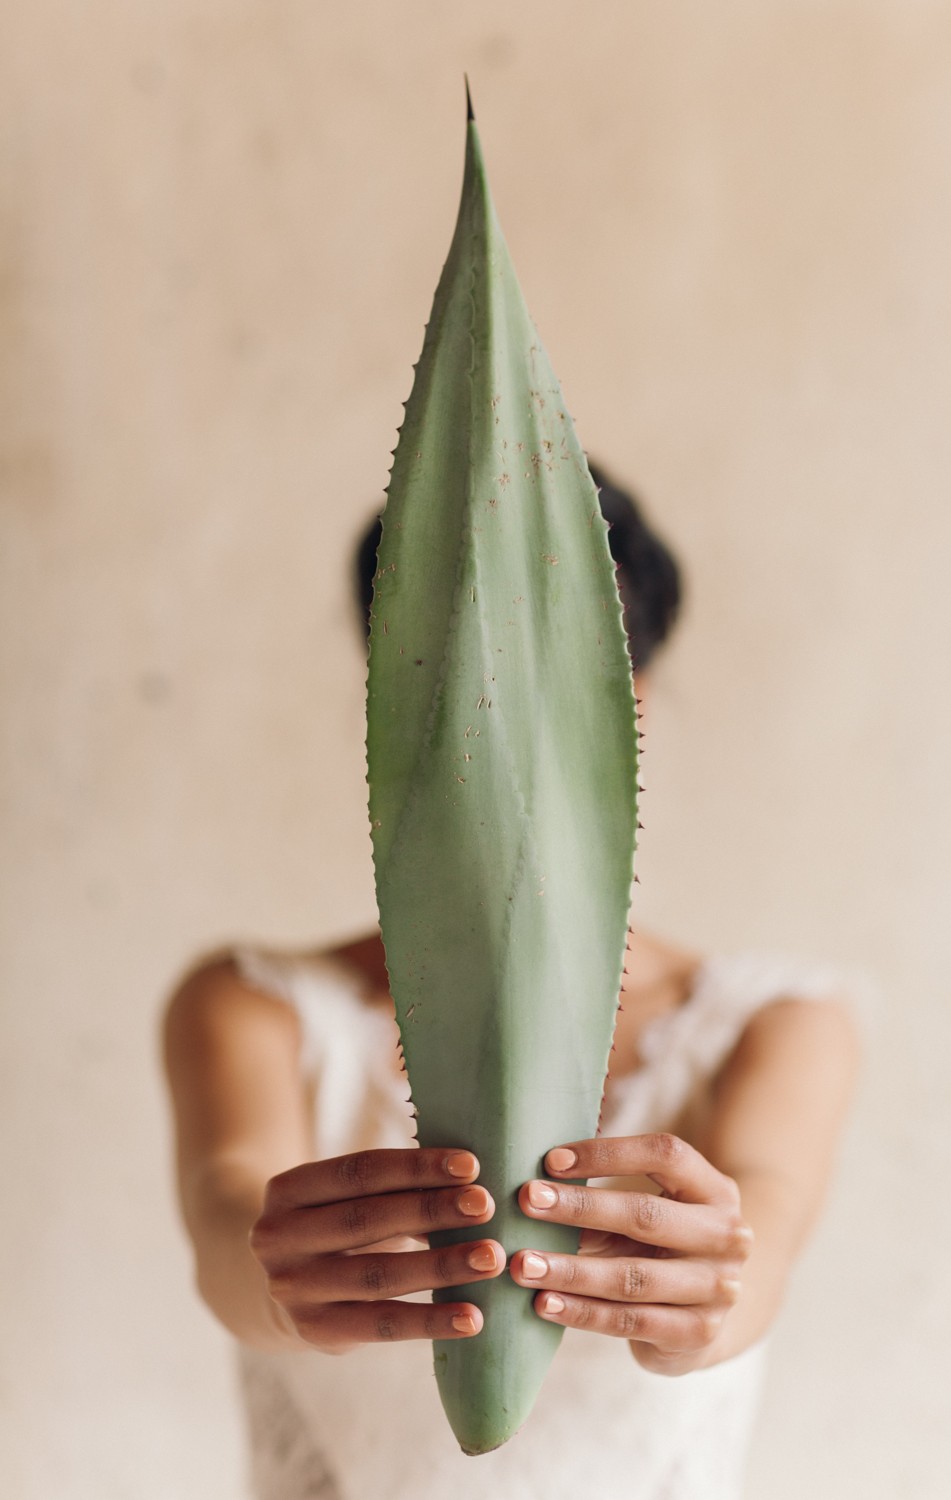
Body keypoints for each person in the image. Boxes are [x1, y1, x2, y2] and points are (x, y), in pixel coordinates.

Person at [163, 463, 859, 1500]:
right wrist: (273, 1283)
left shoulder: (773, 1024)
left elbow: (766, 1235)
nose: (492, 738)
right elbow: (227, 1216)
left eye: (559, 693)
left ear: (634, 712)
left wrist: (715, 1297)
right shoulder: (255, 1005)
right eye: (440, 693)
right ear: (384, 706)